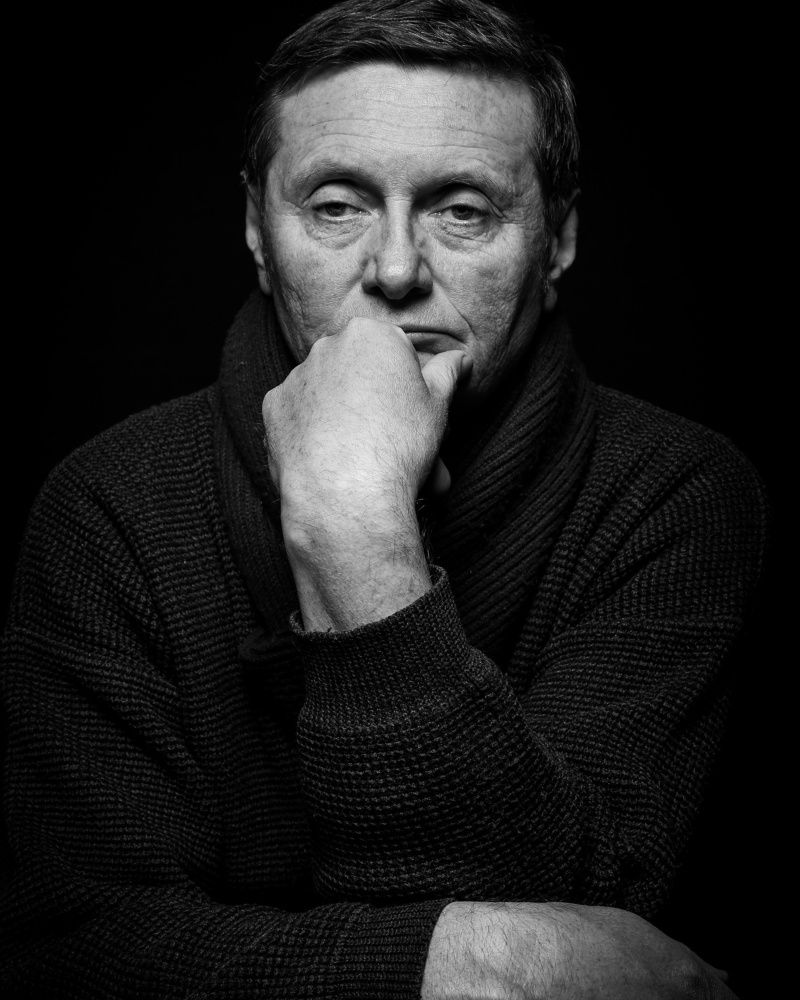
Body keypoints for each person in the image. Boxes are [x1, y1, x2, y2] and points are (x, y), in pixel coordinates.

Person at [0, 1, 769, 997]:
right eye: (335, 206)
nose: (397, 270)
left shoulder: (673, 496)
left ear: (558, 239)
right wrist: (454, 961)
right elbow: (71, 957)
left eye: (463, 210)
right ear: (257, 229)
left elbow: (594, 928)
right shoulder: (109, 507)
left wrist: (356, 528)